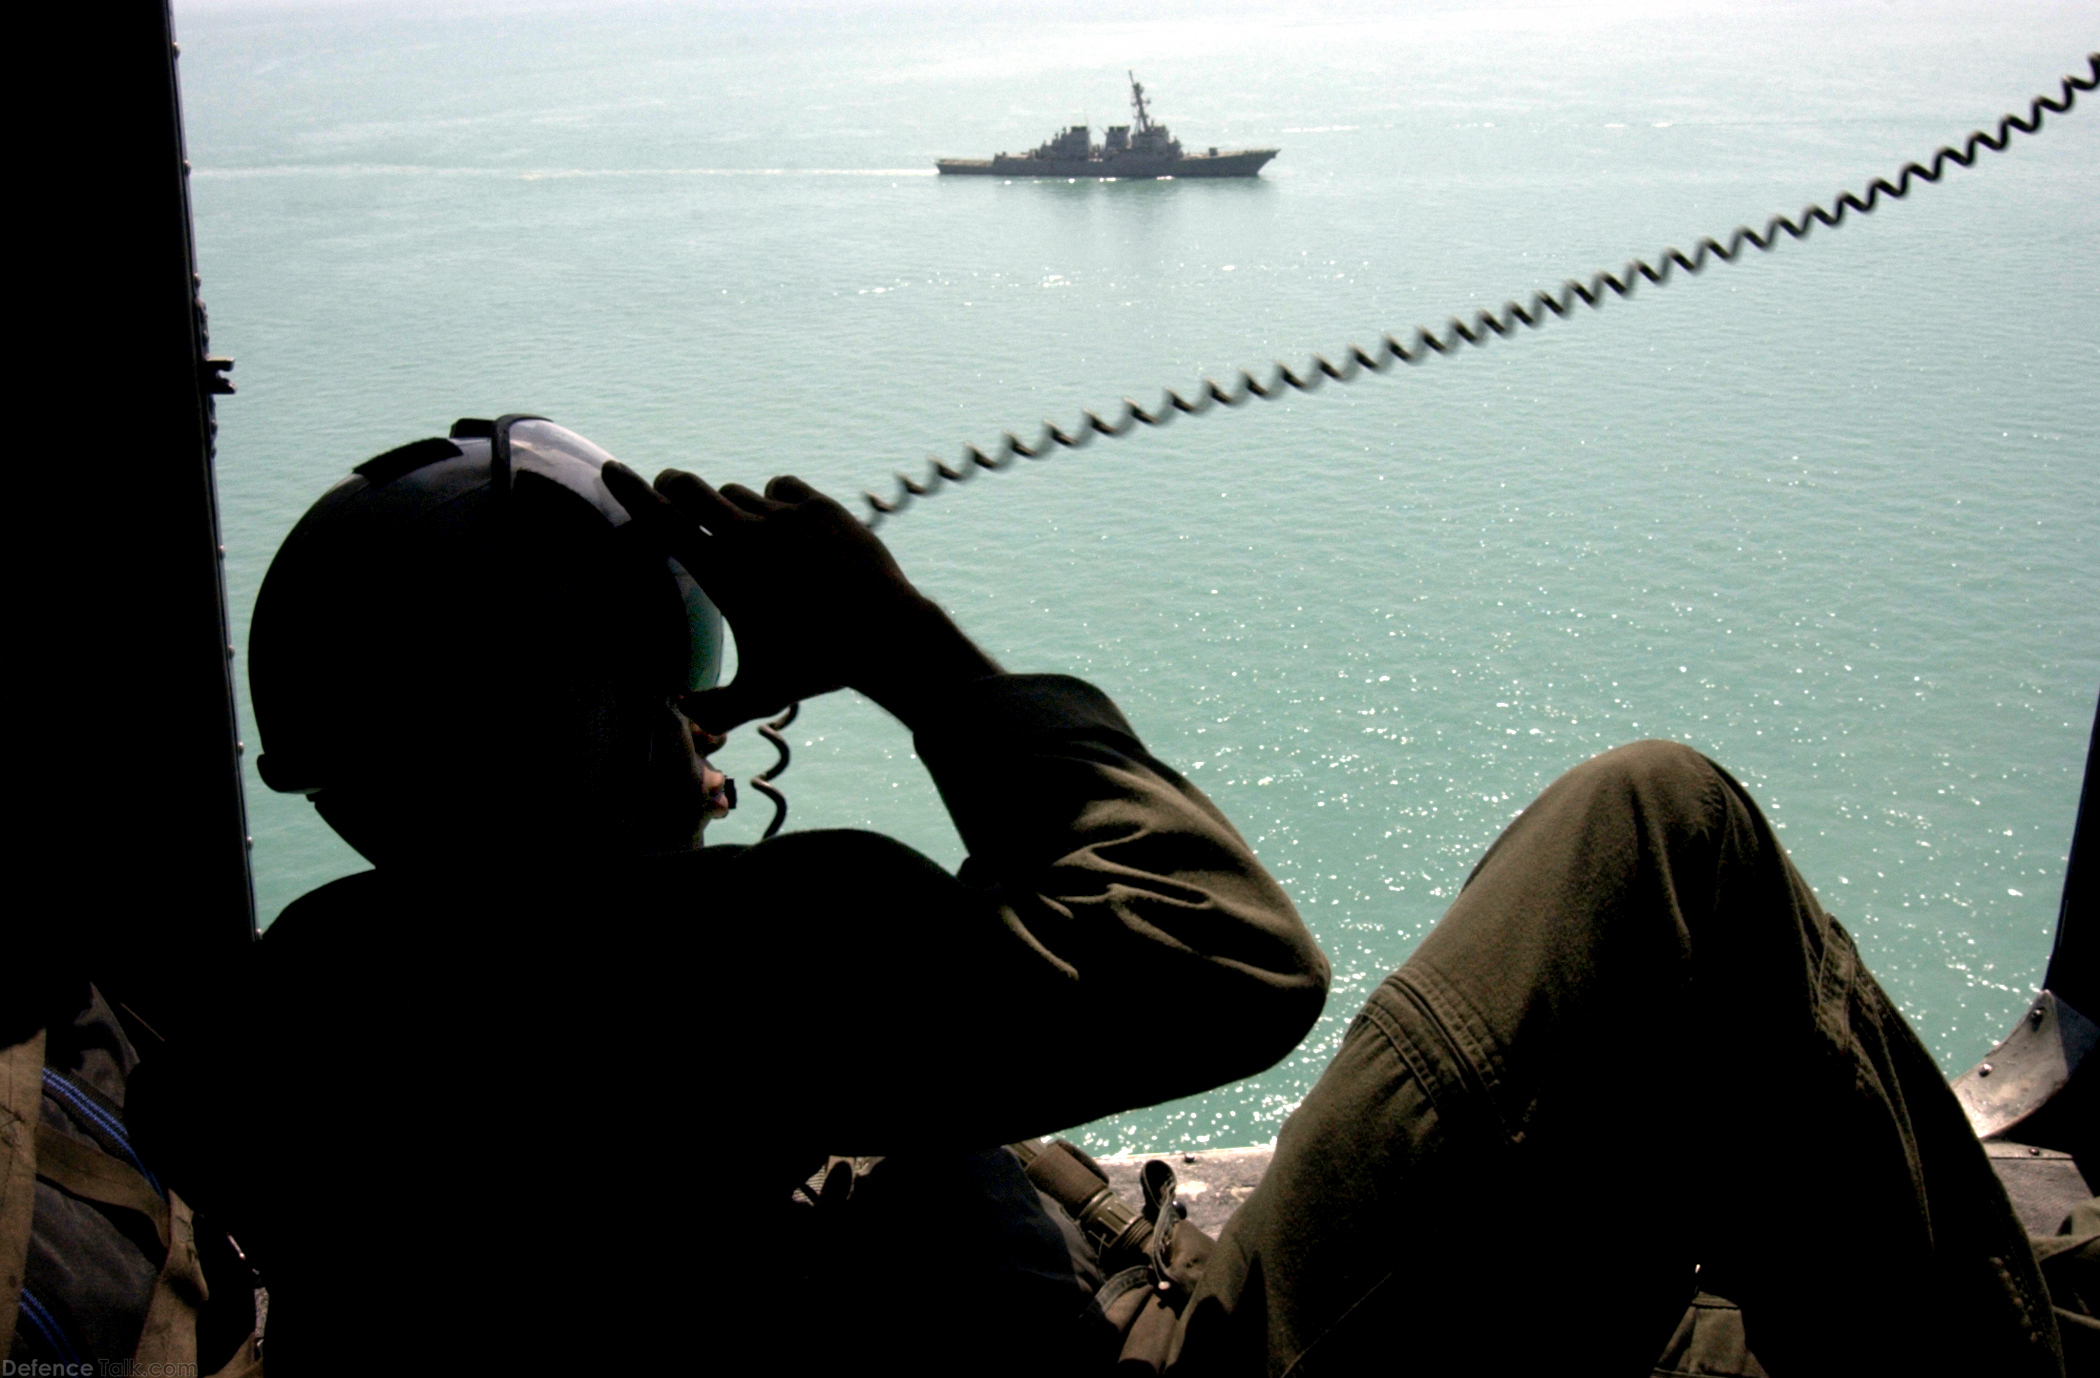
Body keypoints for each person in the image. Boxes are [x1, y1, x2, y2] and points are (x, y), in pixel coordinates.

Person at [127, 417, 1330, 1374]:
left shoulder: (306, 978)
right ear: (575, 729)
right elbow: (1226, 958)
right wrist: (902, 644)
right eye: (668, 674)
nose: (699, 718)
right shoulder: (752, 956)